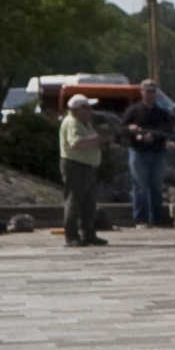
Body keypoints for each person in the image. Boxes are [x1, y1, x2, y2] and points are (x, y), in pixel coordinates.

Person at [55, 90, 114, 246]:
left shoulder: (85, 123)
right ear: (76, 110)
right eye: (86, 108)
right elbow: (77, 143)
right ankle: (72, 236)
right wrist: (100, 138)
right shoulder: (72, 122)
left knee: (89, 202)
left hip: (87, 167)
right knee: (74, 201)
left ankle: (88, 234)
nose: (90, 111)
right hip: (75, 166)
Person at [122, 83, 173, 228]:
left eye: (153, 91)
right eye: (147, 91)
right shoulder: (133, 110)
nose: (150, 94)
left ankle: (157, 219)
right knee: (140, 186)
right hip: (138, 152)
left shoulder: (162, 113)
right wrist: (132, 129)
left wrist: (153, 136)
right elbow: (121, 128)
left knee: (156, 186)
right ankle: (140, 220)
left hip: (158, 152)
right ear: (142, 92)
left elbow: (168, 131)